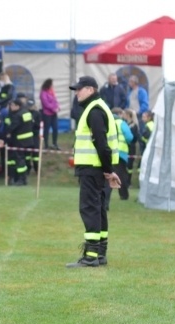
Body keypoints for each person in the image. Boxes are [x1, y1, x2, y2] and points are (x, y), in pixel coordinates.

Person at [66, 76, 120, 268]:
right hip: (97, 169)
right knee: (98, 209)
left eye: (79, 89)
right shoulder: (98, 107)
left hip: (92, 169)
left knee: (90, 209)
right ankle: (100, 253)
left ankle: (90, 256)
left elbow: (101, 144)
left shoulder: (94, 110)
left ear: (90, 89)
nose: (76, 93)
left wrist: (108, 171)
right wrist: (108, 170)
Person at [106, 107, 133, 208]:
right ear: (119, 114)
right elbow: (129, 137)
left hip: (109, 152)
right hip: (120, 153)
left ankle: (105, 200)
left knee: (108, 176)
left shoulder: (107, 121)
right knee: (121, 175)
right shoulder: (121, 123)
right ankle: (124, 195)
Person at [39, 78, 60, 150]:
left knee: (55, 128)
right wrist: (53, 108)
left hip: (54, 113)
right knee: (46, 129)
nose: (52, 86)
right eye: (51, 84)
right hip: (47, 114)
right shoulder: (43, 93)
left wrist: (58, 107)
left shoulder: (51, 92)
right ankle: (46, 145)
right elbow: (46, 103)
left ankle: (55, 143)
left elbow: (55, 101)